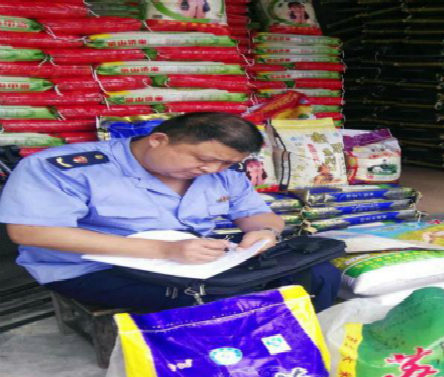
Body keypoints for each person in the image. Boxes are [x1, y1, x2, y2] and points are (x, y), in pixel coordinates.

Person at [0, 113, 341, 311]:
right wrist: (164, 251)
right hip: (93, 268)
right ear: (159, 140)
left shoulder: (224, 173)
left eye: (225, 163)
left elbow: (258, 214)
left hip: (189, 259)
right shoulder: (66, 167)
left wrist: (264, 232)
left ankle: (310, 348)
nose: (212, 170)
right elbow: (31, 231)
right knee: (227, 299)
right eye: (203, 159)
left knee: (318, 274)